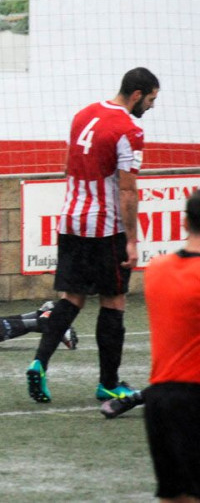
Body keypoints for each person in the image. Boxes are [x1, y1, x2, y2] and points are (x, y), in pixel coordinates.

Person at [26, 67, 160, 404]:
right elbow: (128, 191)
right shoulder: (129, 130)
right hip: (105, 228)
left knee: (71, 299)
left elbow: (66, 165)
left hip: (71, 221)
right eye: (151, 99)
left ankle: (39, 363)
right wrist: (131, 239)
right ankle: (109, 383)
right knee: (113, 301)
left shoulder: (83, 114)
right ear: (136, 95)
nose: (152, 106)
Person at [140, 189, 200, 501]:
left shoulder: (156, 270)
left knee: (173, 496)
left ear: (184, 222)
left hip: (160, 400)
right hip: (195, 396)